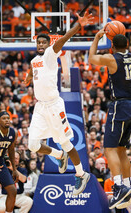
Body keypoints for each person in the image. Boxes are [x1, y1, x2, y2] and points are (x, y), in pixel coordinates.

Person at [24, 11, 93, 196]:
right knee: (32, 145)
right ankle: (58, 155)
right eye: (38, 42)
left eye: (43, 42)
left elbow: (62, 40)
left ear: (49, 44)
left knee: (65, 142)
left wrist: (78, 26)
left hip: (55, 106)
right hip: (40, 107)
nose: (40, 45)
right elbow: (33, 70)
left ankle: (81, 174)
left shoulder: (50, 54)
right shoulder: (34, 60)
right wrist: (28, 77)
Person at [88, 31, 131, 209]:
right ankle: (128, 186)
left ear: (112, 46)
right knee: (121, 149)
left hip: (121, 106)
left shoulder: (112, 58)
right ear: (126, 45)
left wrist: (96, 38)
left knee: (109, 148)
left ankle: (118, 187)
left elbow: (91, 58)